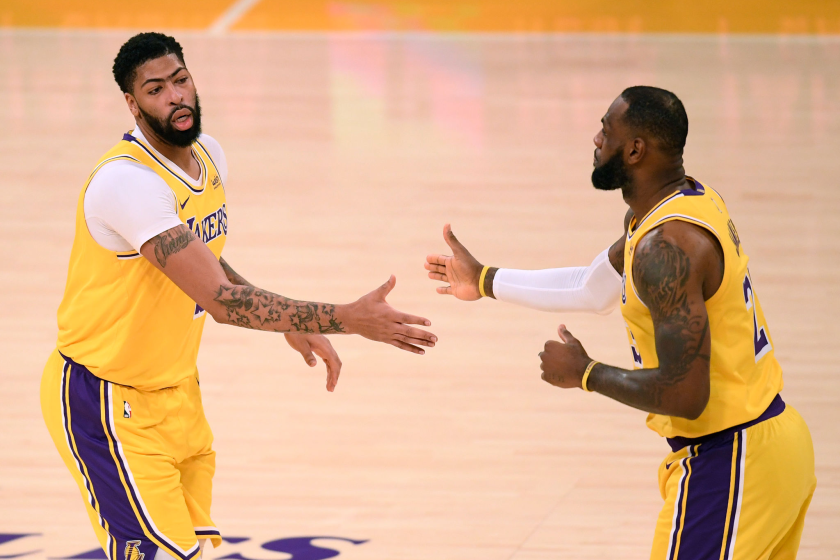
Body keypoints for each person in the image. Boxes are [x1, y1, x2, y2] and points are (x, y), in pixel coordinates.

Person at [41, 32, 437, 560]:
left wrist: (286, 319)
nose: (175, 96)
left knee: (194, 551)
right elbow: (221, 302)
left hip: (177, 392)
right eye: (156, 89)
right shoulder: (126, 184)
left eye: (180, 80)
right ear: (132, 105)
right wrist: (347, 317)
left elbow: (198, 259)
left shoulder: (209, 157)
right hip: (108, 399)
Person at [425, 86, 816, 559]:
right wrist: (485, 280)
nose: (595, 139)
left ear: (635, 150)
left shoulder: (664, 248)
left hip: (730, 461)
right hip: (770, 447)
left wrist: (586, 374)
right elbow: (592, 287)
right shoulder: (683, 205)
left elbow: (686, 395)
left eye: (606, 131)